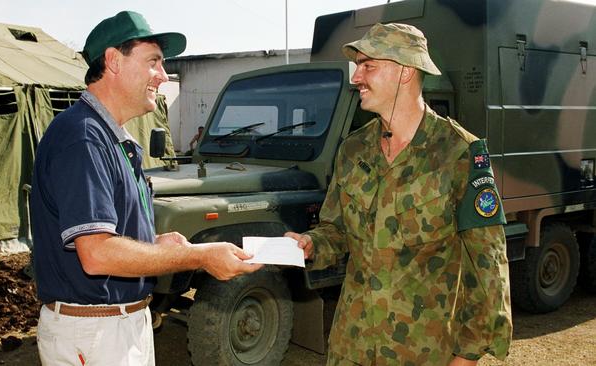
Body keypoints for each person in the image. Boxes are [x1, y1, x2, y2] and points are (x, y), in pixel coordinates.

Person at [30, 11, 262, 366]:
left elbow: (105, 239)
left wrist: (155, 245)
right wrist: (199, 255)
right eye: (153, 61)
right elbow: (97, 255)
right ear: (113, 61)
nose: (163, 75)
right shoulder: (83, 138)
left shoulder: (110, 138)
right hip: (96, 335)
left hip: (117, 325)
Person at [286, 23, 512, 366]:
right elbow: (336, 229)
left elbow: (488, 266)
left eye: (368, 66)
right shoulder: (353, 149)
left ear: (405, 72)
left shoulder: (459, 152)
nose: (356, 77)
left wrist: (467, 355)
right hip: (352, 345)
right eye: (358, 66)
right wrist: (312, 243)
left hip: (422, 352)